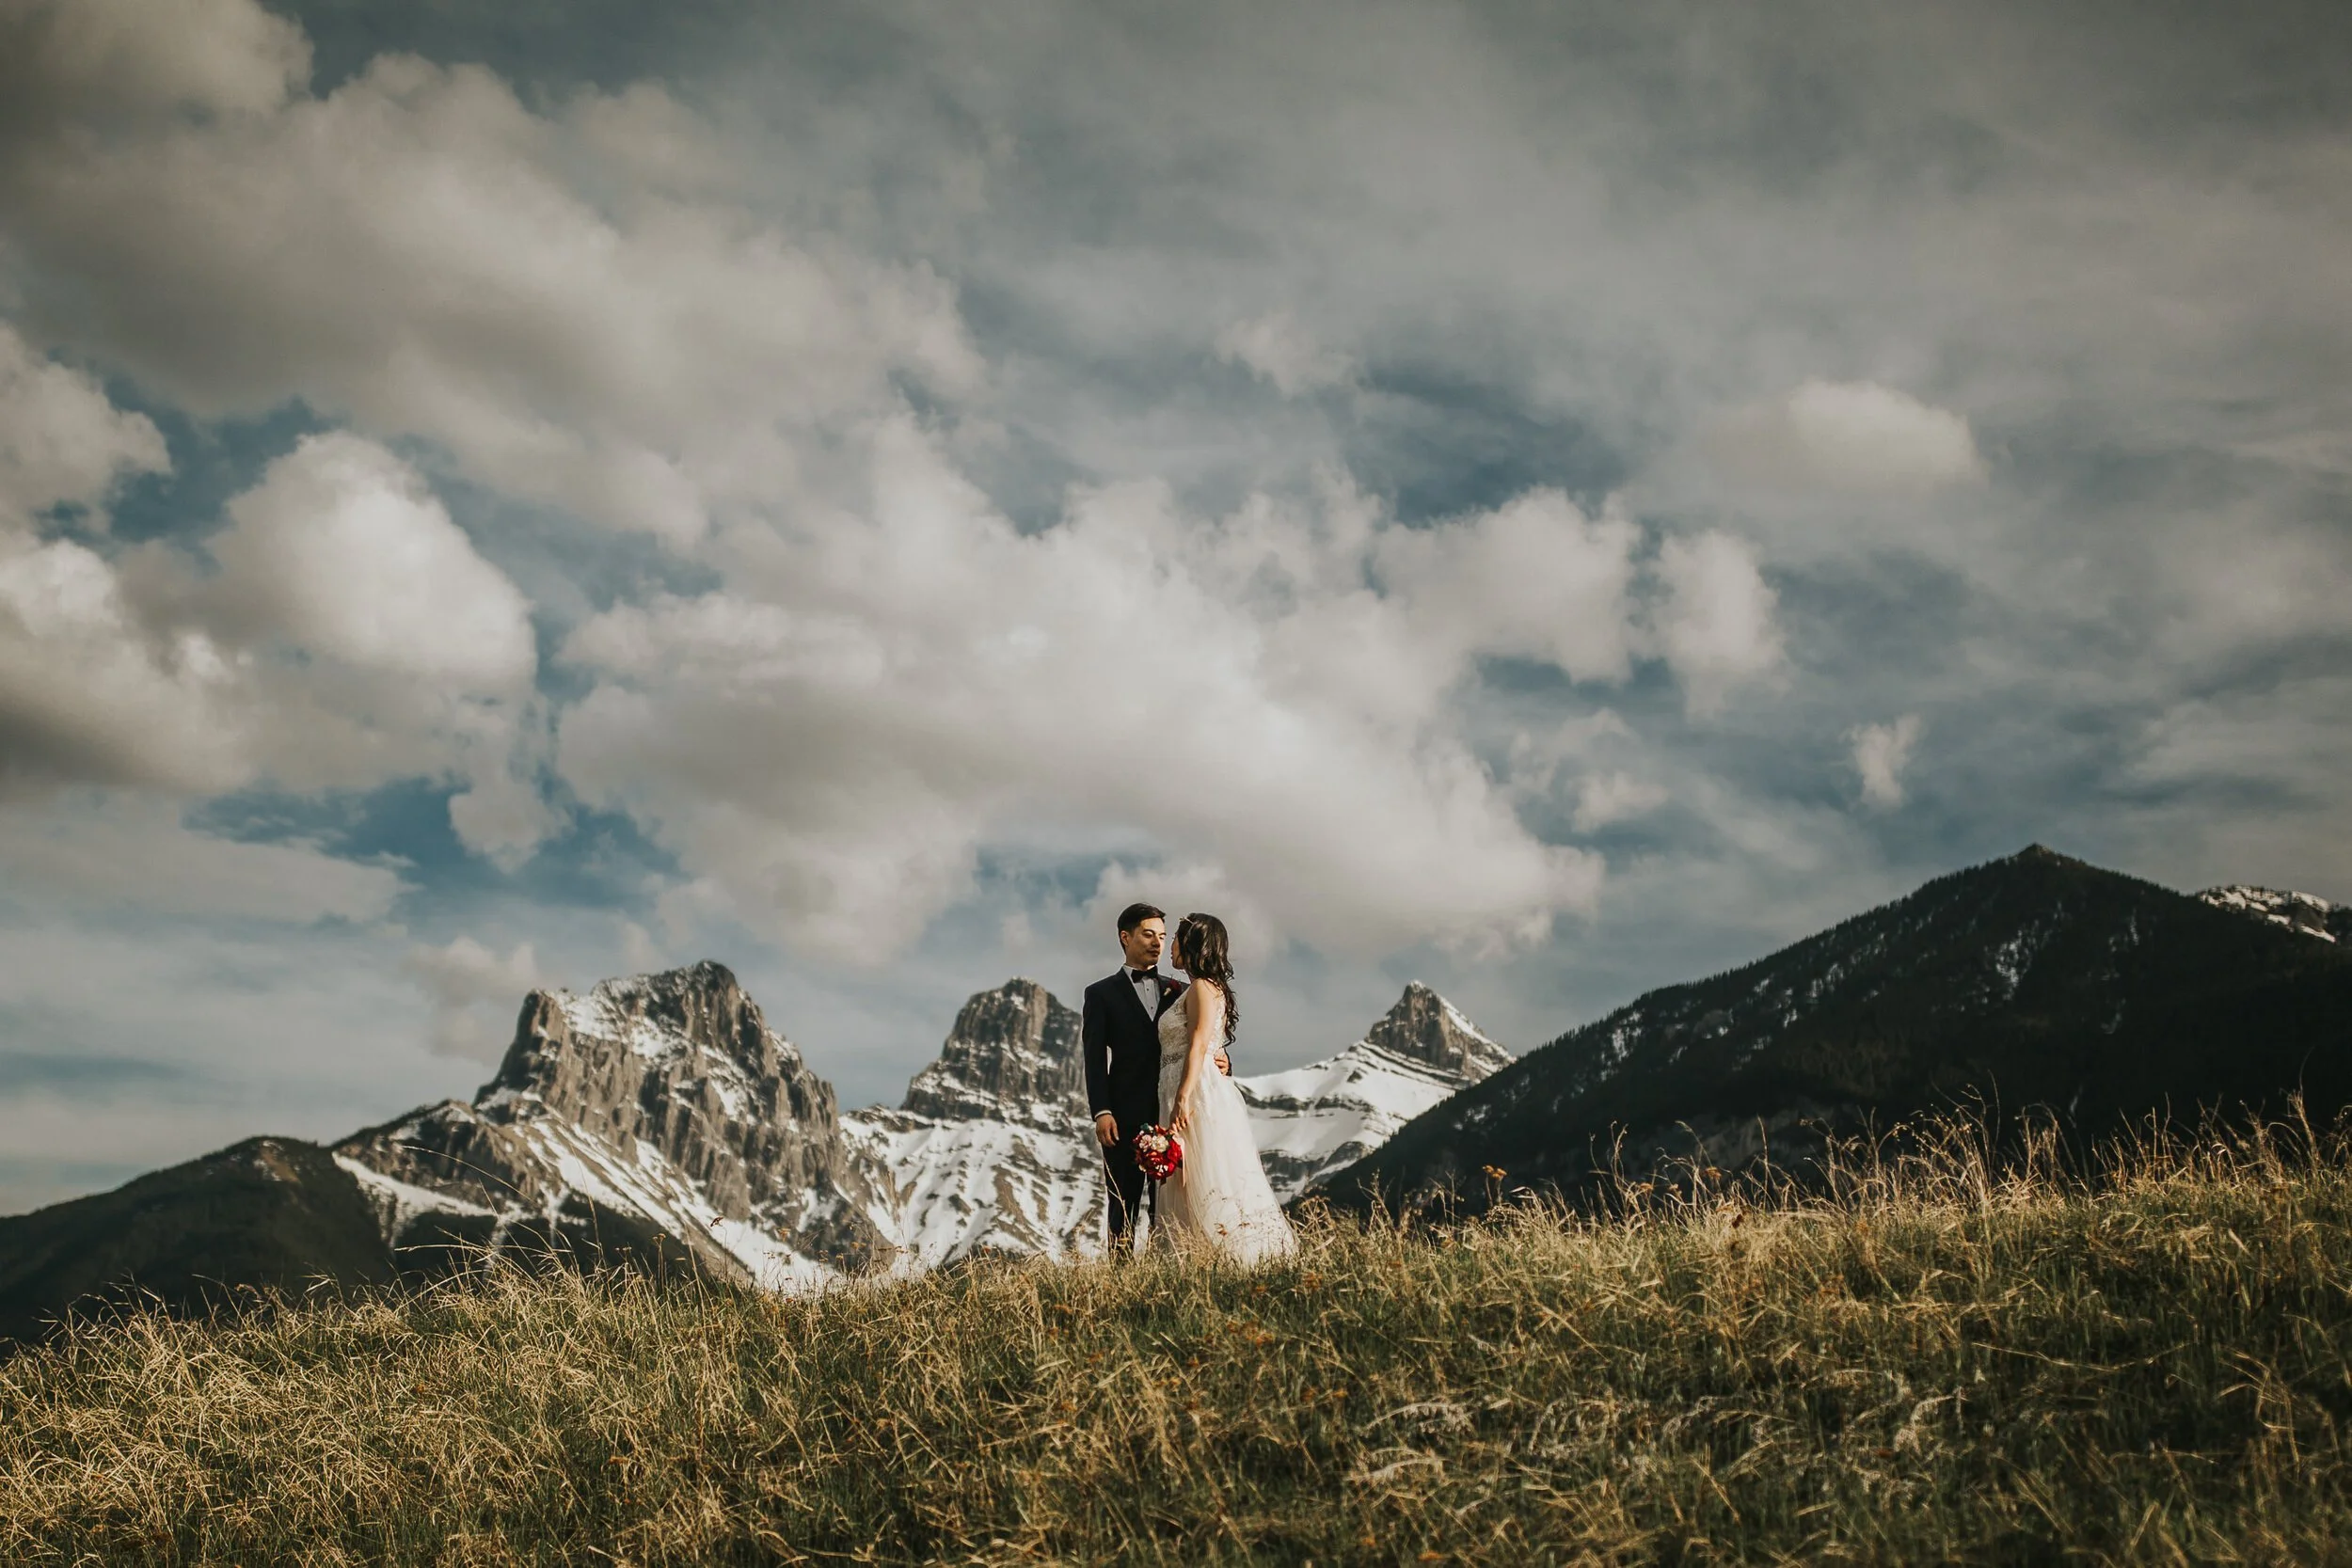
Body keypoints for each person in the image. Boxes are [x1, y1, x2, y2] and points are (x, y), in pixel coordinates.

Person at [1080, 903, 1228, 1258]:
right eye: (1148, 934)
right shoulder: (1100, 994)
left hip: (1174, 1114)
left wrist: (1222, 1060)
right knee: (1122, 1202)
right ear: (1125, 937)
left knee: (1170, 1202)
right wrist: (1101, 1110)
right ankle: (1120, 1276)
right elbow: (1094, 1057)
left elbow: (1200, 1036)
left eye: (1163, 936)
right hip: (1123, 1113)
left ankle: (1166, 1269)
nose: (1158, 943)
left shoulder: (1181, 989)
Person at [1155, 912, 1297, 1264]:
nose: (1169, 945)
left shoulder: (1203, 987)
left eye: (1175, 937)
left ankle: (1225, 1258)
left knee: (1205, 1176)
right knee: (1190, 1180)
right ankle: (1199, 1260)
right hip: (1184, 1085)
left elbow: (1200, 1045)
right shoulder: (1198, 989)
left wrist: (1183, 1099)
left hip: (1193, 1091)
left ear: (1190, 944)